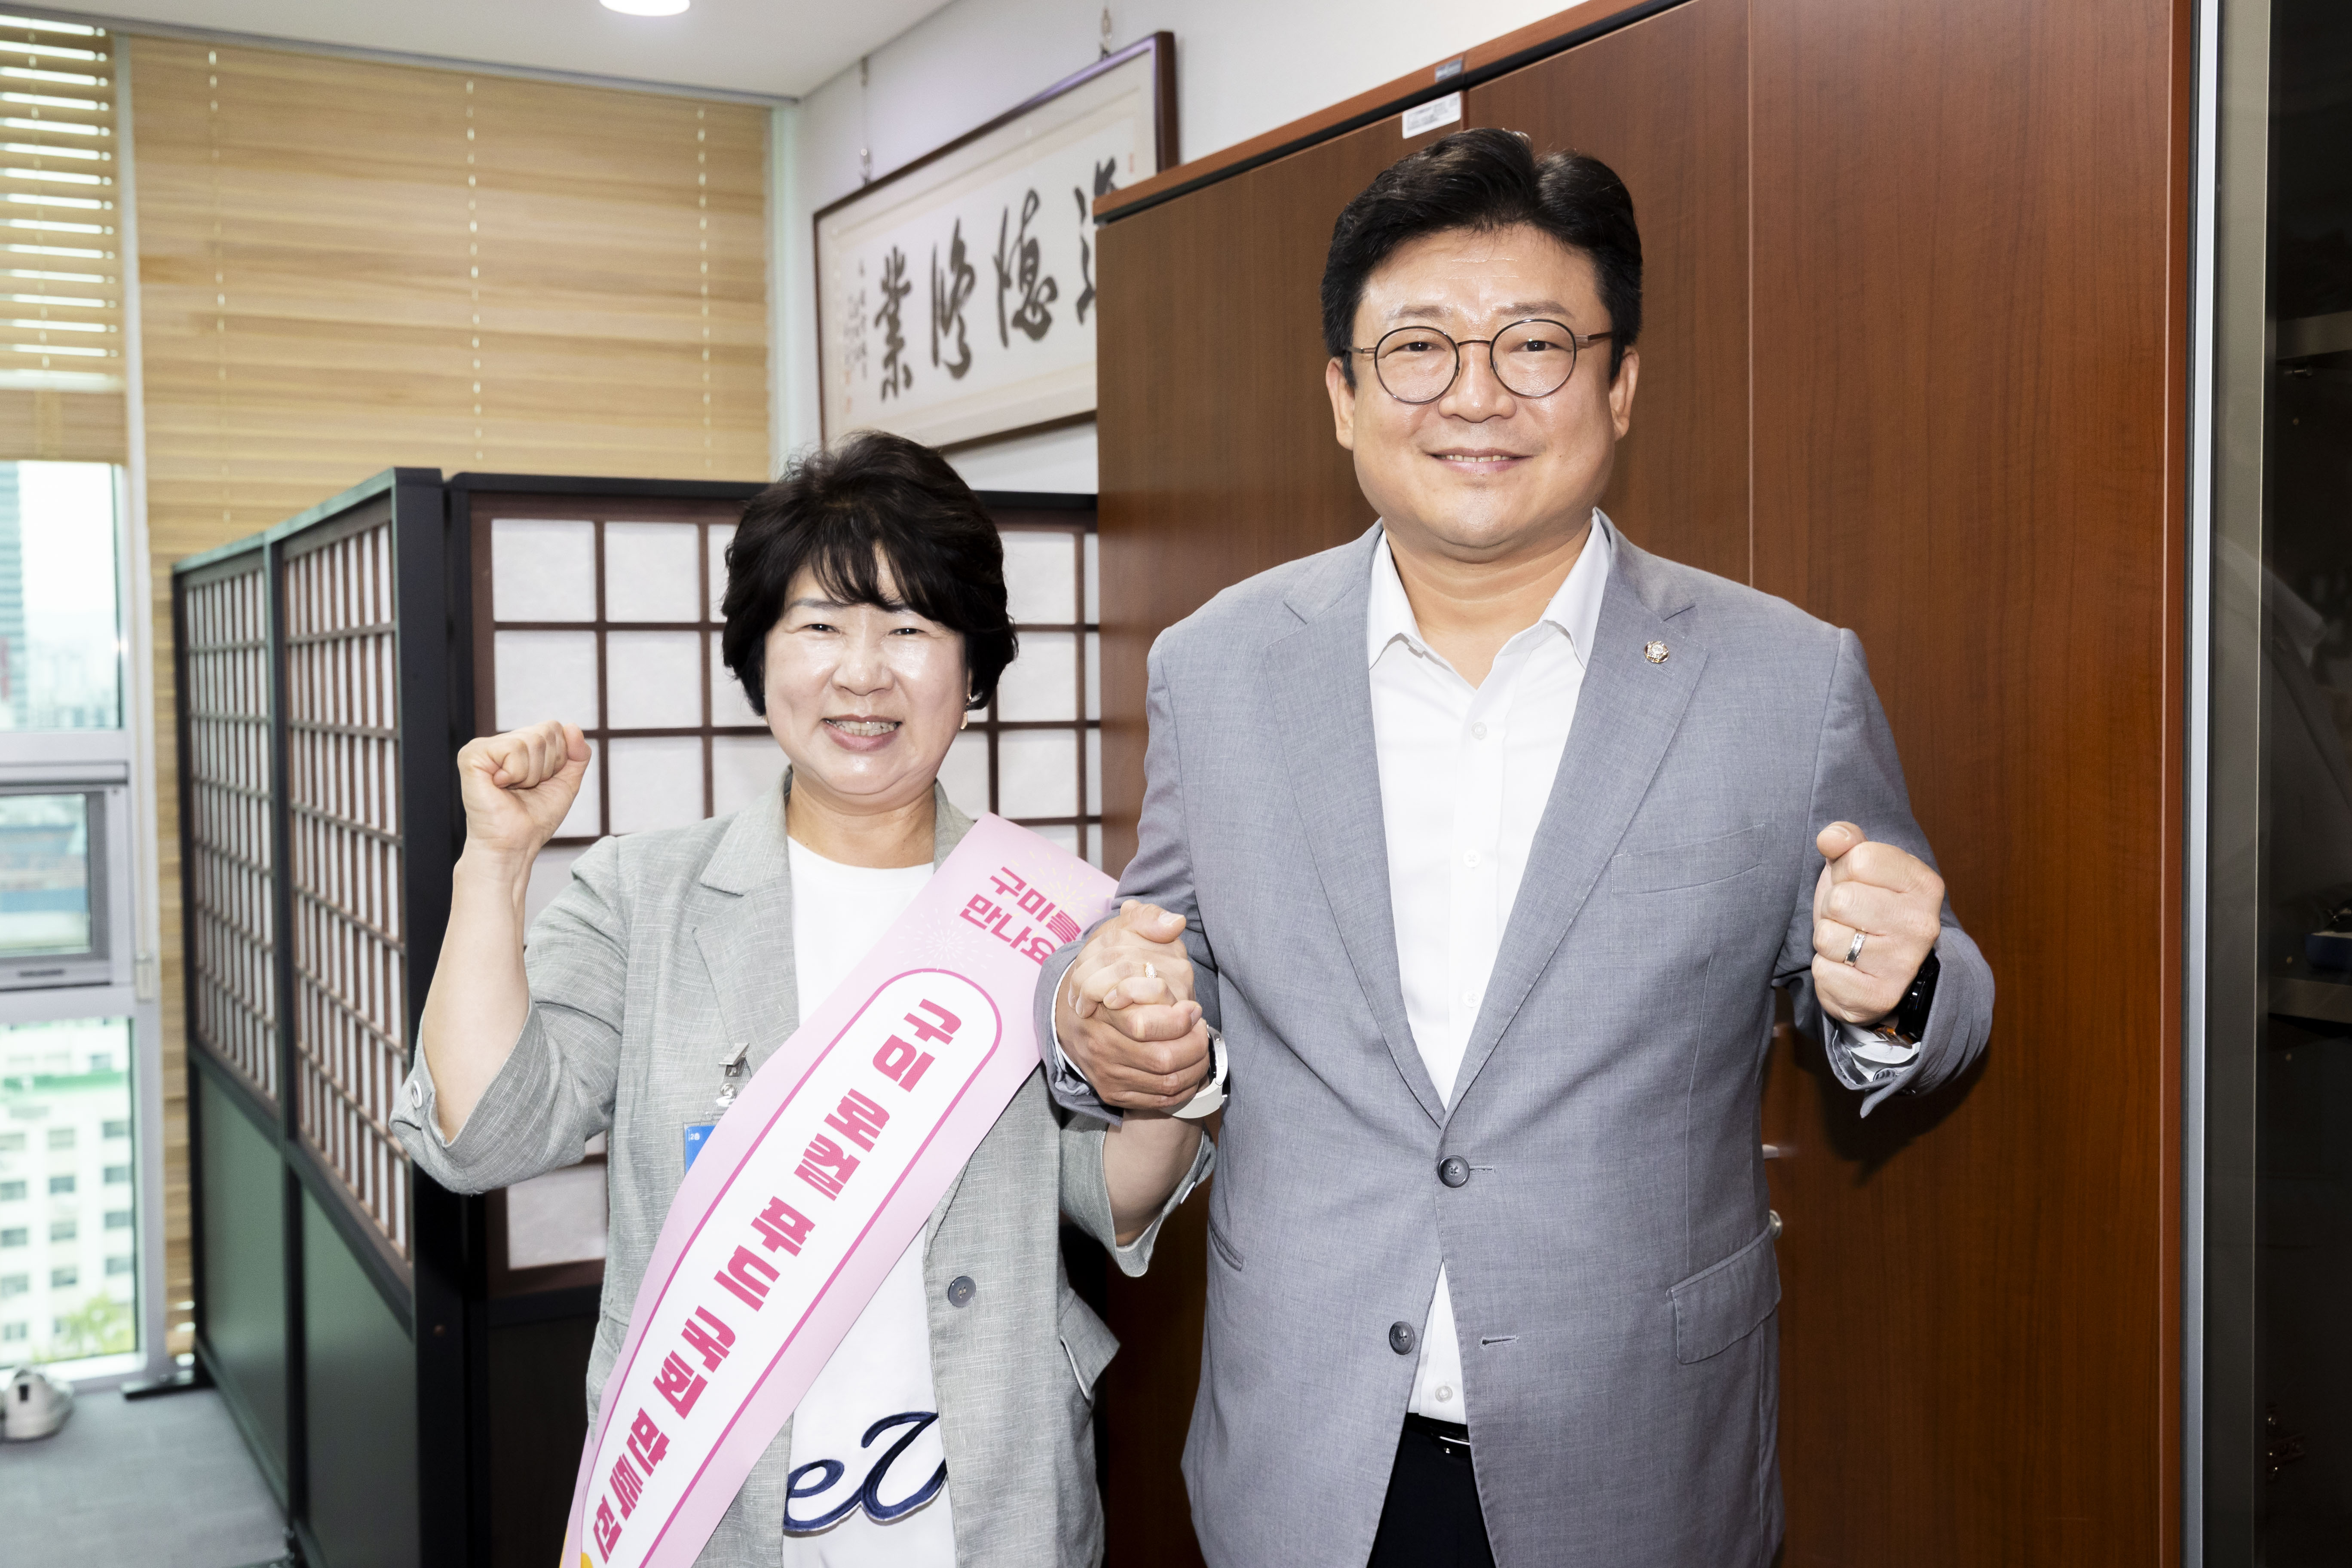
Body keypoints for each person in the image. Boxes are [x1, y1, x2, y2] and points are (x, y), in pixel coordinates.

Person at [1039, 129, 1994, 1568]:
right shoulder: (1218, 665)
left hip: (1639, 1454)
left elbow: (1931, 985)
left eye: (1536, 345)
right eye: (1418, 349)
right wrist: (1096, 1017)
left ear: (1620, 385)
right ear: (1344, 398)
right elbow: (1164, 954)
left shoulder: (1786, 677)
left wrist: (1901, 986)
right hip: (1307, 1449)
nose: (1476, 395)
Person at [391, 431, 1210, 1567]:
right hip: (710, 1512)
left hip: (990, 1507)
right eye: (820, 625)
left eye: (911, 629)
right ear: (758, 654)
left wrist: (1168, 1067)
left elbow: (1112, 1195)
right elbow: (483, 1137)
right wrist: (496, 861)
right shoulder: (643, 894)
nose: (863, 674)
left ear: (973, 669)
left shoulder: (1053, 916)